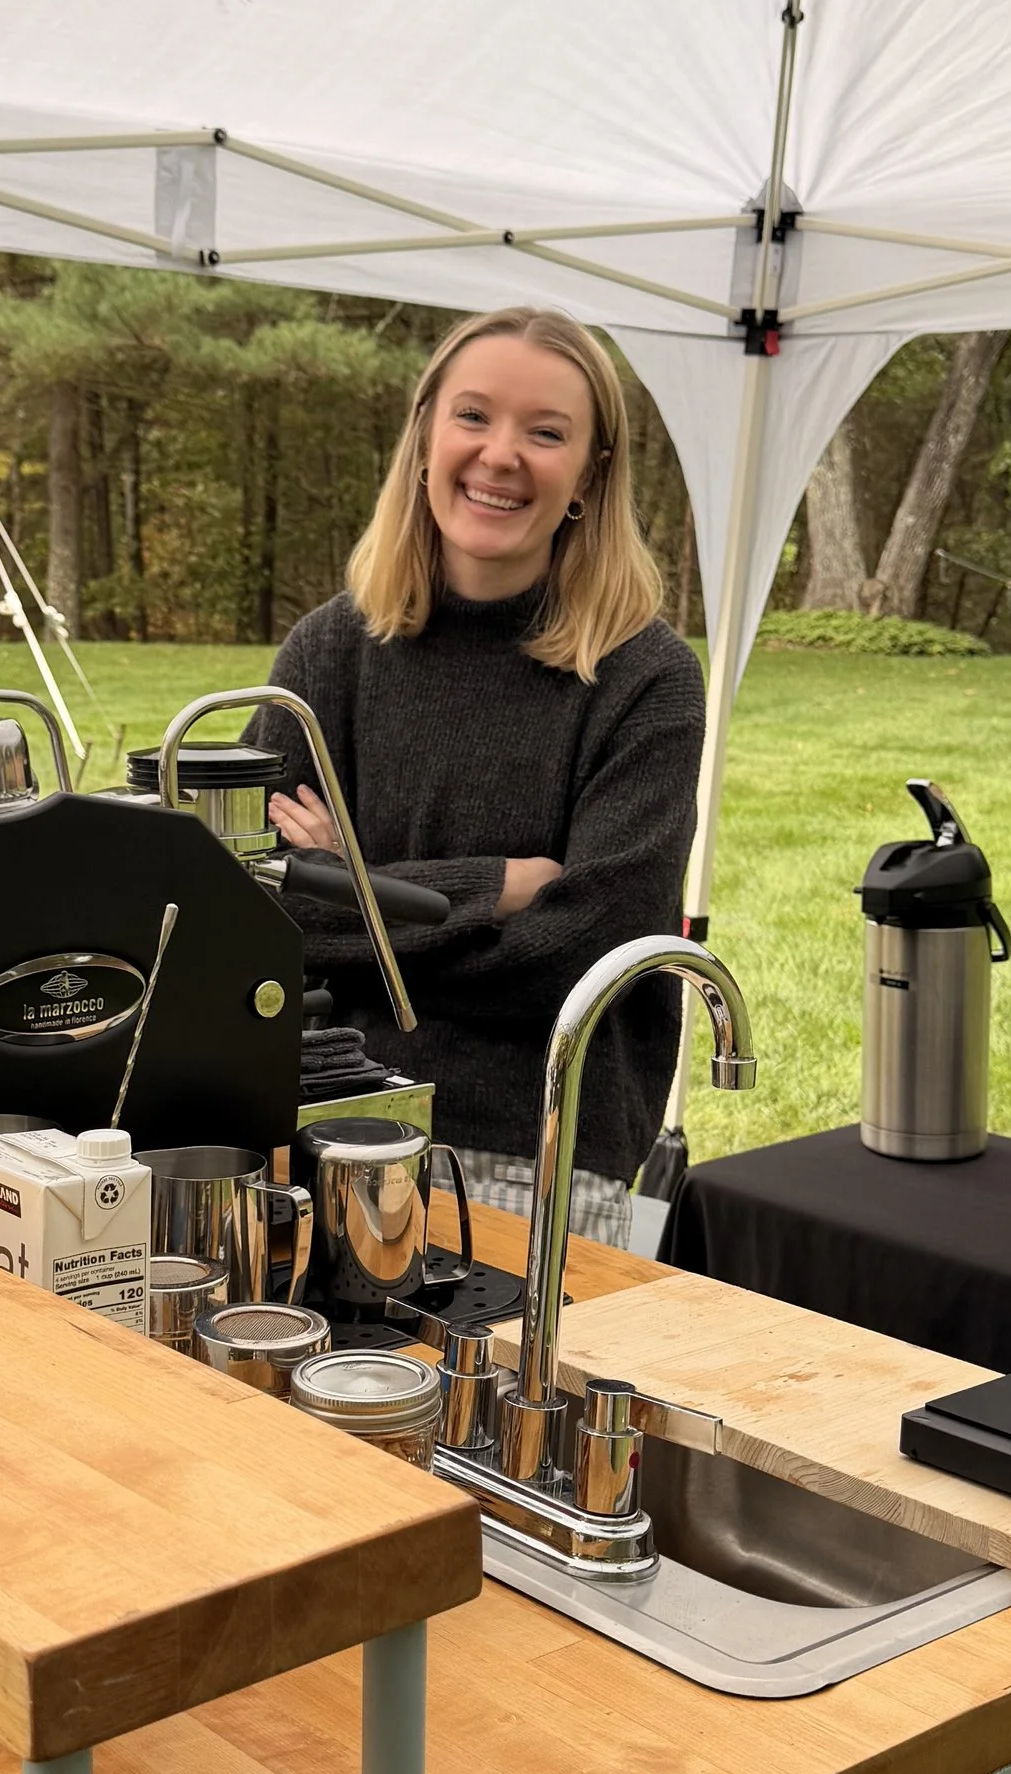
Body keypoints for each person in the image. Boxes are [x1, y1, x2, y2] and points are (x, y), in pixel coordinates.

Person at [256, 305, 704, 1246]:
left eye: (546, 432)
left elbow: (588, 957)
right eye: (473, 416)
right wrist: (496, 885)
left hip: (537, 1151)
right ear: (424, 437)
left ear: (590, 474)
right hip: (322, 1122)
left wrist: (356, 884)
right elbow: (253, 916)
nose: (501, 454)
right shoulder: (330, 652)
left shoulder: (644, 679)